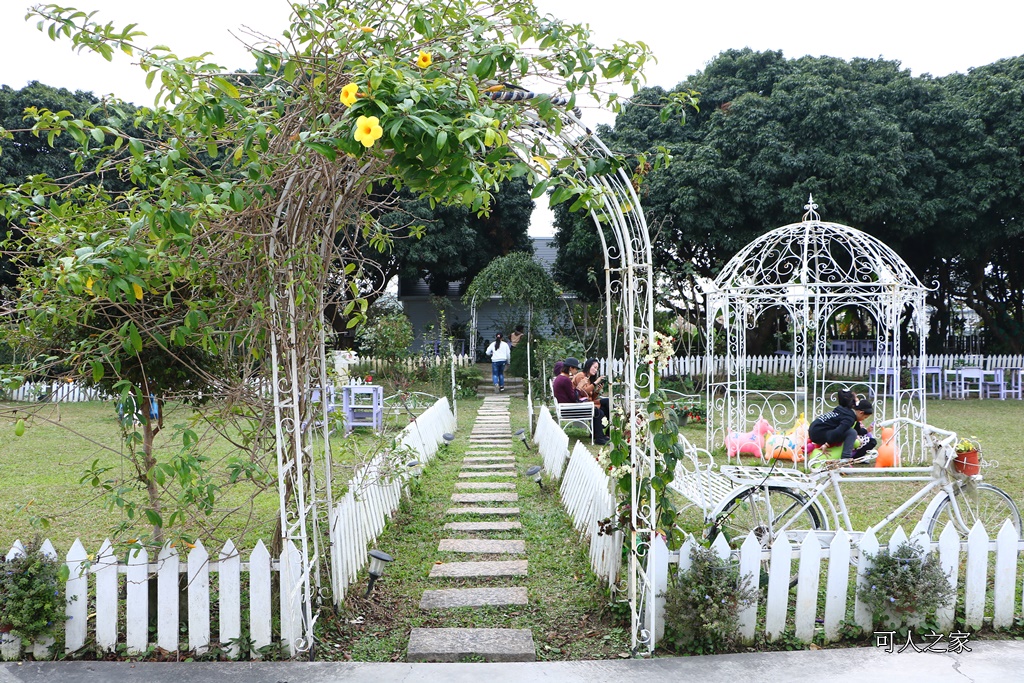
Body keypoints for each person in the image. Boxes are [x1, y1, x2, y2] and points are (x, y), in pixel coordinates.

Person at [554, 357, 609, 445]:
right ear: (570, 368)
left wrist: (596, 390)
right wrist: (580, 386)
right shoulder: (565, 380)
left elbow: (574, 396)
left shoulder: (561, 378)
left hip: (566, 407)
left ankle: (600, 436)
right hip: (569, 409)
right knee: (597, 411)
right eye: (575, 368)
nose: (576, 371)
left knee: (599, 409)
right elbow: (574, 397)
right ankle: (599, 437)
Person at [808, 389, 872, 459]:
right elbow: (839, 431)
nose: (864, 419)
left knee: (852, 431)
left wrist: (866, 430)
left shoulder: (847, 412)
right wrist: (827, 444)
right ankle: (845, 458)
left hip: (815, 430)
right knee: (851, 432)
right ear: (861, 412)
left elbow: (858, 430)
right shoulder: (849, 418)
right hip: (818, 433)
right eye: (865, 417)